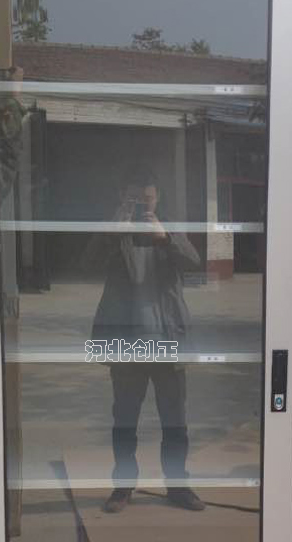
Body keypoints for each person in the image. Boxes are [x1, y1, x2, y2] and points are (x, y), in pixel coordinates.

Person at [84, 178, 205, 513]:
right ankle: (123, 487)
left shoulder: (168, 228)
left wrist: (165, 237)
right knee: (124, 421)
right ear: (122, 196)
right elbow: (88, 263)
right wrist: (115, 229)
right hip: (127, 343)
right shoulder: (115, 230)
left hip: (167, 339)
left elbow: (194, 262)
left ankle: (178, 486)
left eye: (147, 199)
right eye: (134, 199)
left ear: (158, 198)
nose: (141, 205)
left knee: (175, 421)